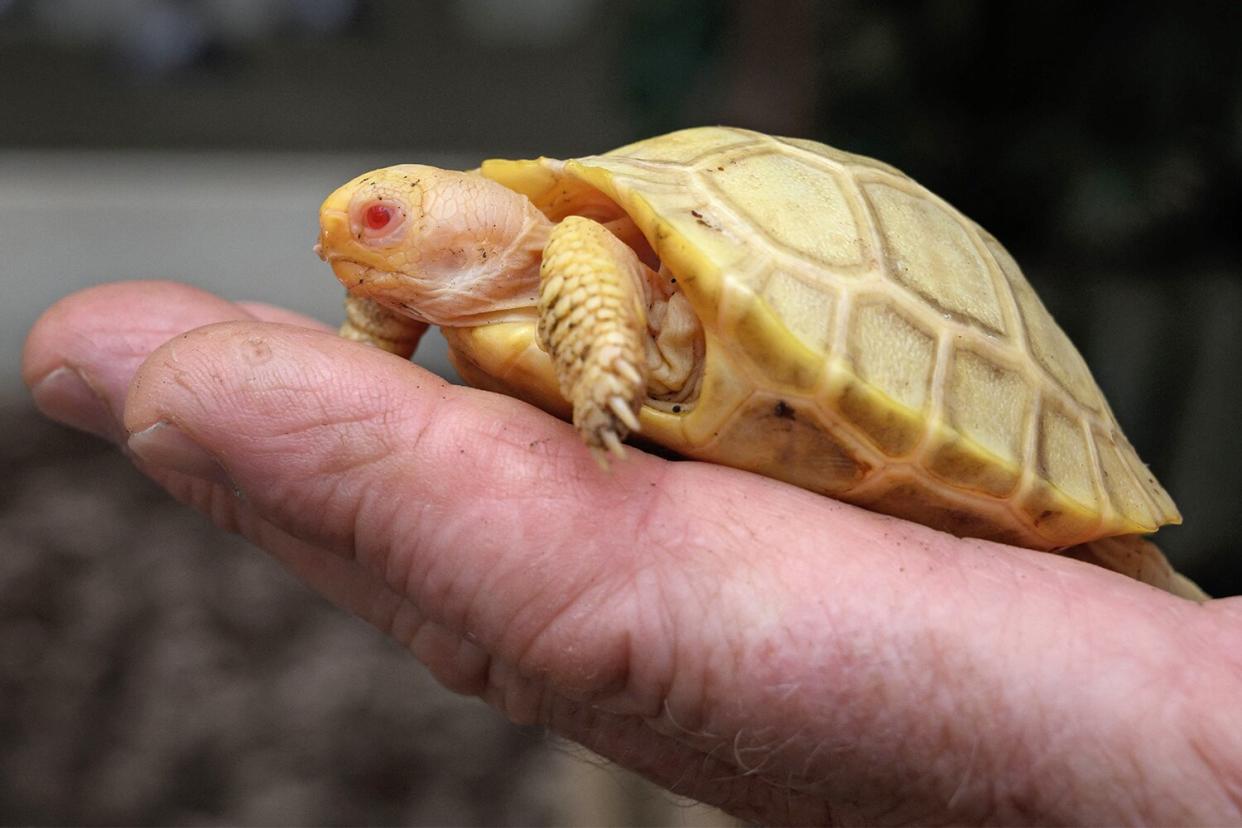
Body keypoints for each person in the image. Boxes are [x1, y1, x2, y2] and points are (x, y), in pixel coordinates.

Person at [23, 280, 1242, 826]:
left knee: (1105, 558)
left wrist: (602, 354)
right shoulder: (466, 283)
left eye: (389, 220)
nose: (362, 249)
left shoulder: (577, 258)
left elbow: (583, 273)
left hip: (913, 387)